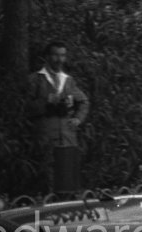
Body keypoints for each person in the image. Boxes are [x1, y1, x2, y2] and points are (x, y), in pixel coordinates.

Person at [27, 41, 90, 192]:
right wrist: (46, 101)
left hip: (67, 137)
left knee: (67, 181)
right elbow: (26, 107)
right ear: (47, 57)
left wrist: (77, 119)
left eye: (62, 55)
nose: (59, 59)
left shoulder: (68, 80)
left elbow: (83, 101)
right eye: (55, 55)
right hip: (45, 136)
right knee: (46, 180)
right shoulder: (35, 79)